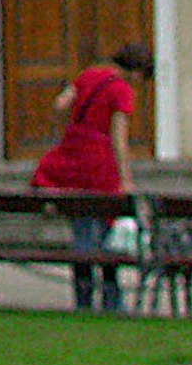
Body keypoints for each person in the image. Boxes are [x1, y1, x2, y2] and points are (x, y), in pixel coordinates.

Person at [29, 42, 154, 314]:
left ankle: (83, 299)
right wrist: (125, 178)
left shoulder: (90, 75)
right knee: (107, 235)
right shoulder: (122, 91)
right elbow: (119, 138)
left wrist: (71, 129)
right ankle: (111, 300)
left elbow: (60, 103)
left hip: (74, 155)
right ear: (136, 72)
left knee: (82, 230)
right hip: (100, 164)